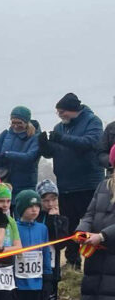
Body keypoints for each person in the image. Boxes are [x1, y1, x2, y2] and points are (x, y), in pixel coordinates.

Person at [39, 93, 104, 269]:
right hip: (66, 185)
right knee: (70, 226)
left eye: (62, 112)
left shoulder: (93, 122)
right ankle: (72, 262)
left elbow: (90, 142)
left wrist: (61, 138)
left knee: (90, 225)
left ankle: (94, 262)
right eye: (58, 112)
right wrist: (44, 146)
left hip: (88, 185)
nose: (60, 115)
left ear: (73, 110)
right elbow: (52, 152)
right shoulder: (60, 127)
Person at [75, 147, 115, 300]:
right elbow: (90, 213)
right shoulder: (103, 186)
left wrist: (104, 235)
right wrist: (82, 230)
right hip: (98, 256)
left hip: (111, 253)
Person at [9, 191, 51, 300]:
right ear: (21, 208)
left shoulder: (42, 229)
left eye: (37, 206)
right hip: (17, 281)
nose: (34, 210)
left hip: (36, 282)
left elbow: (46, 252)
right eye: (30, 206)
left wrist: (47, 277)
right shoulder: (13, 227)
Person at [35, 180, 68, 300]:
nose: (50, 204)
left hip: (51, 271)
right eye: (45, 200)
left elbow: (60, 243)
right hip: (33, 270)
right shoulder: (35, 217)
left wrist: (55, 220)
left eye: (53, 199)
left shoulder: (61, 219)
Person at [0, 107, 41, 196]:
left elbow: (30, 157)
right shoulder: (5, 135)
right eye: (13, 122)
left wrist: (8, 155)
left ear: (27, 123)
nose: (15, 126)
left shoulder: (35, 138)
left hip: (25, 185)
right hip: (3, 182)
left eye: (19, 123)